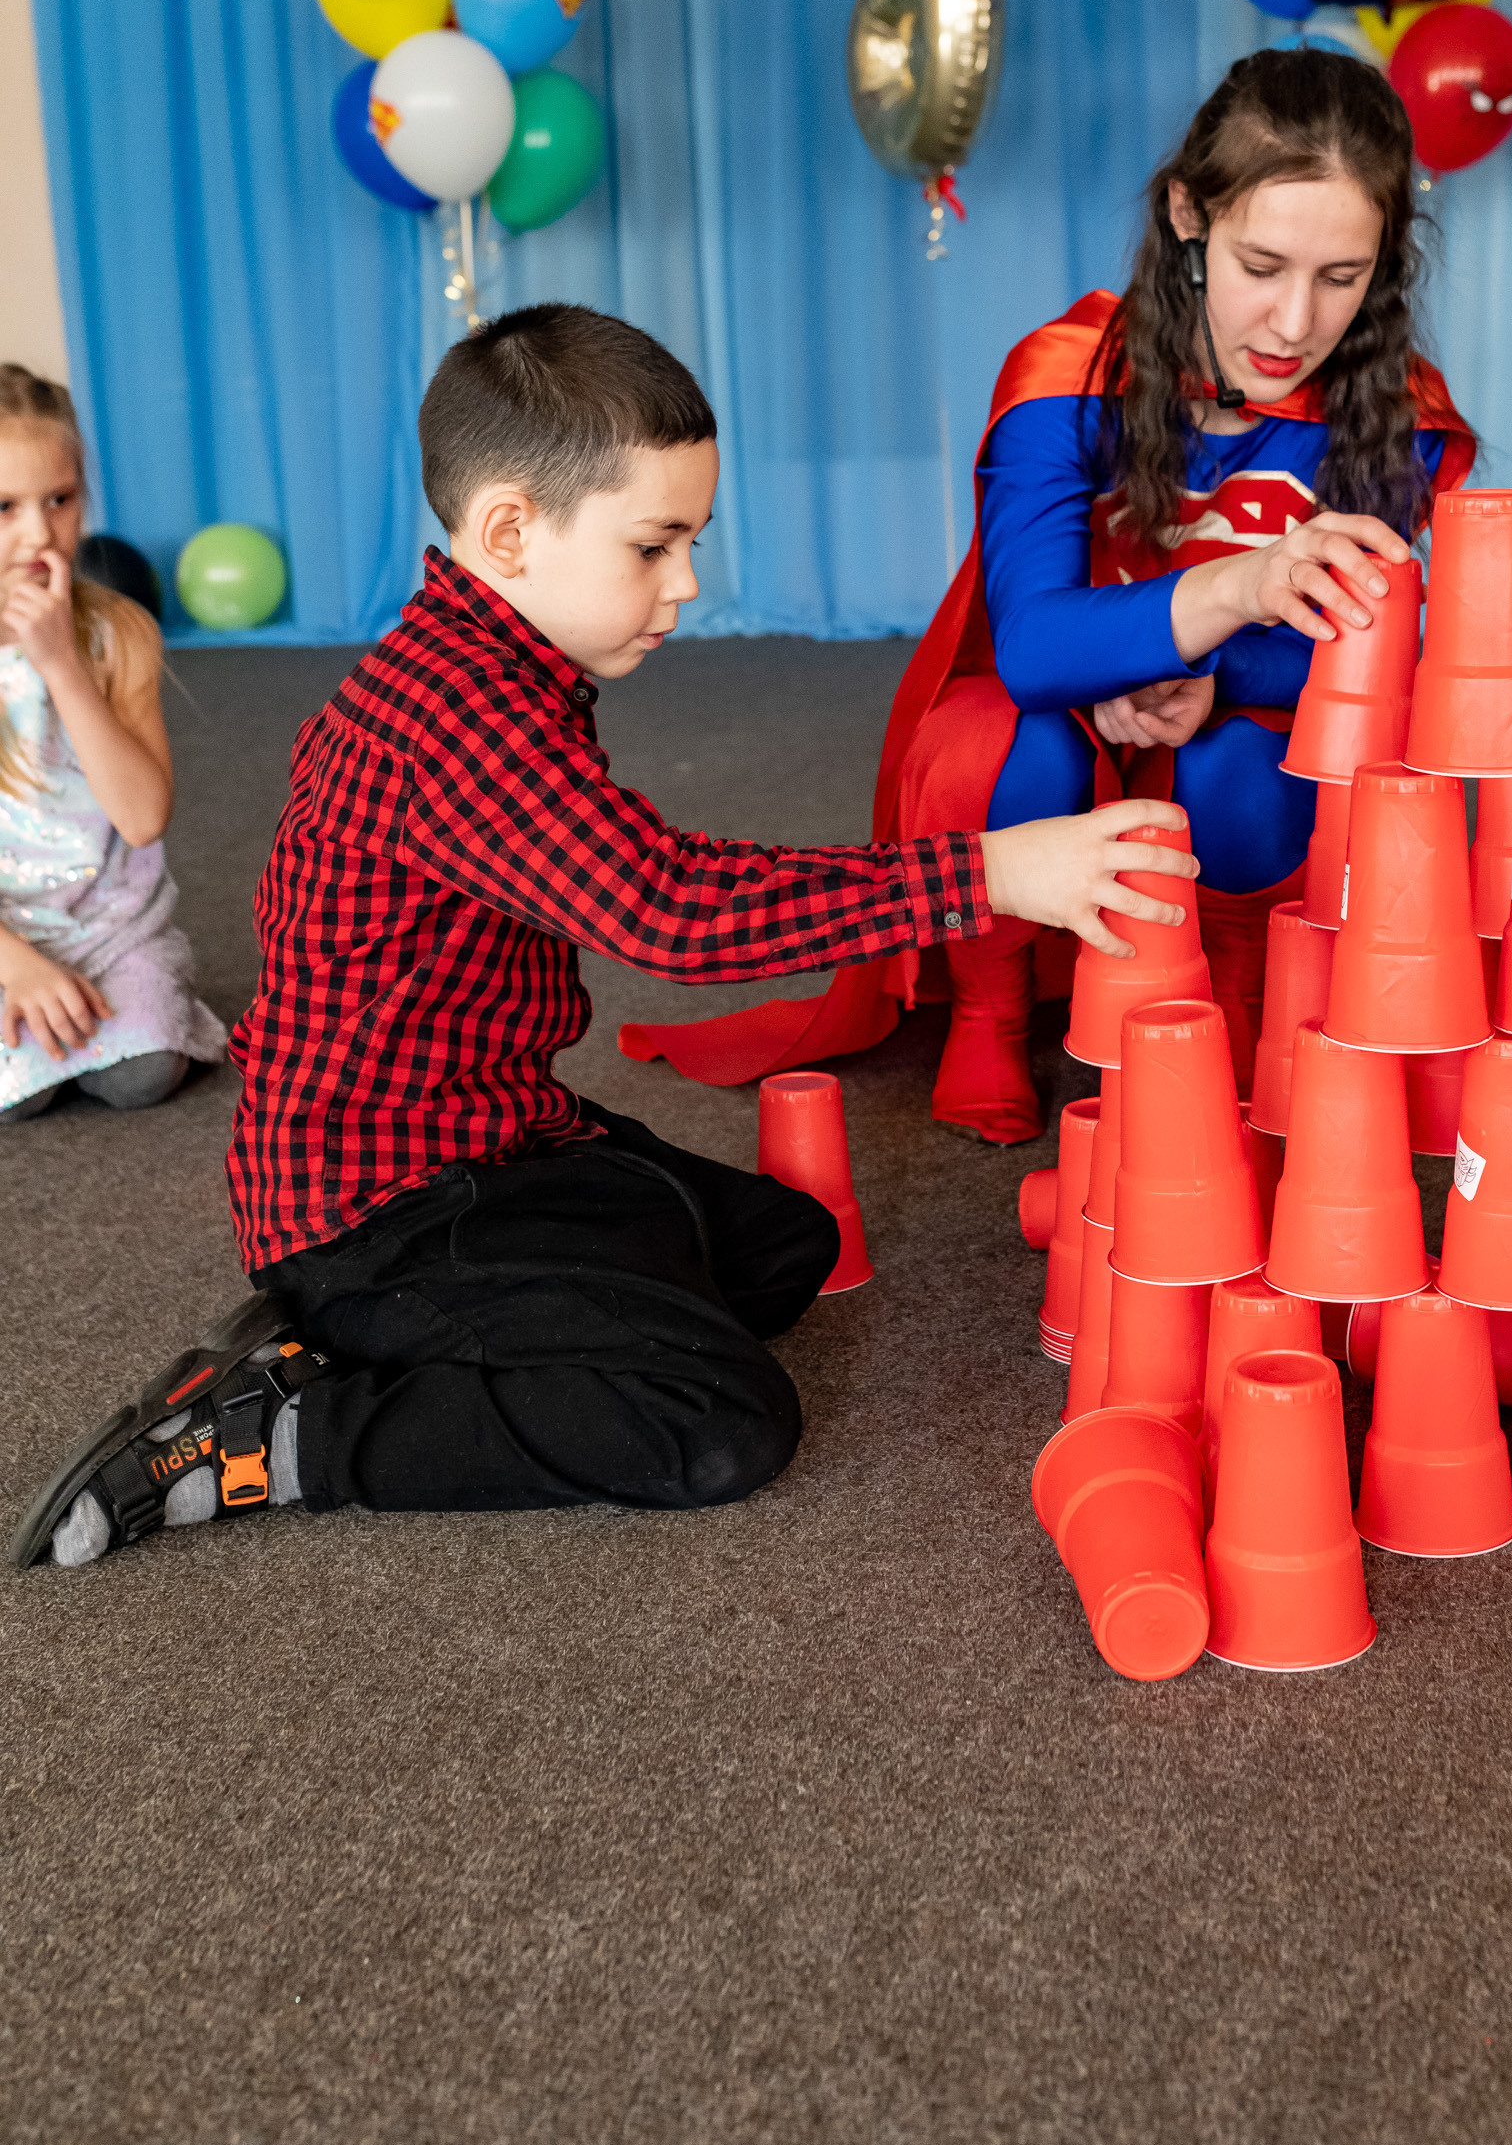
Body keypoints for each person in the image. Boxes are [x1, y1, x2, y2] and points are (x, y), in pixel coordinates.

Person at [15, 304, 1194, 1571]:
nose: (685, 584)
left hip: (494, 1133)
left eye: (690, 540)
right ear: (511, 531)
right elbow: (670, 908)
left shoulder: (500, 666)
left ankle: (383, 1331)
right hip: (377, 1205)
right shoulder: (452, 722)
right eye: (654, 544)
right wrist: (991, 871)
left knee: (781, 1251)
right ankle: (287, 1429)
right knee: (721, 1420)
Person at [642, 47, 1475, 1140]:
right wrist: (1229, 594)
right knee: (999, 741)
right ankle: (987, 1013)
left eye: (1340, 277)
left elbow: (1372, 659)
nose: (1291, 322)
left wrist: (1203, 672)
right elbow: (1032, 644)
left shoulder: (1389, 407)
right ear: (1189, 213)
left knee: (1257, 766)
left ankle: (1232, 989)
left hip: (1229, 716)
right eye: (1260, 264)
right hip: (1056, 712)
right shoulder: (1070, 370)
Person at [0, 365, 225, 1128]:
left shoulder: (118, 634)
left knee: (145, 1071)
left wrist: (62, 664)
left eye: (58, 500)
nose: (39, 533)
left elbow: (140, 818)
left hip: (110, 926)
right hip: (4, 937)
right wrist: (18, 965)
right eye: (5, 508)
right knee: (17, 1095)